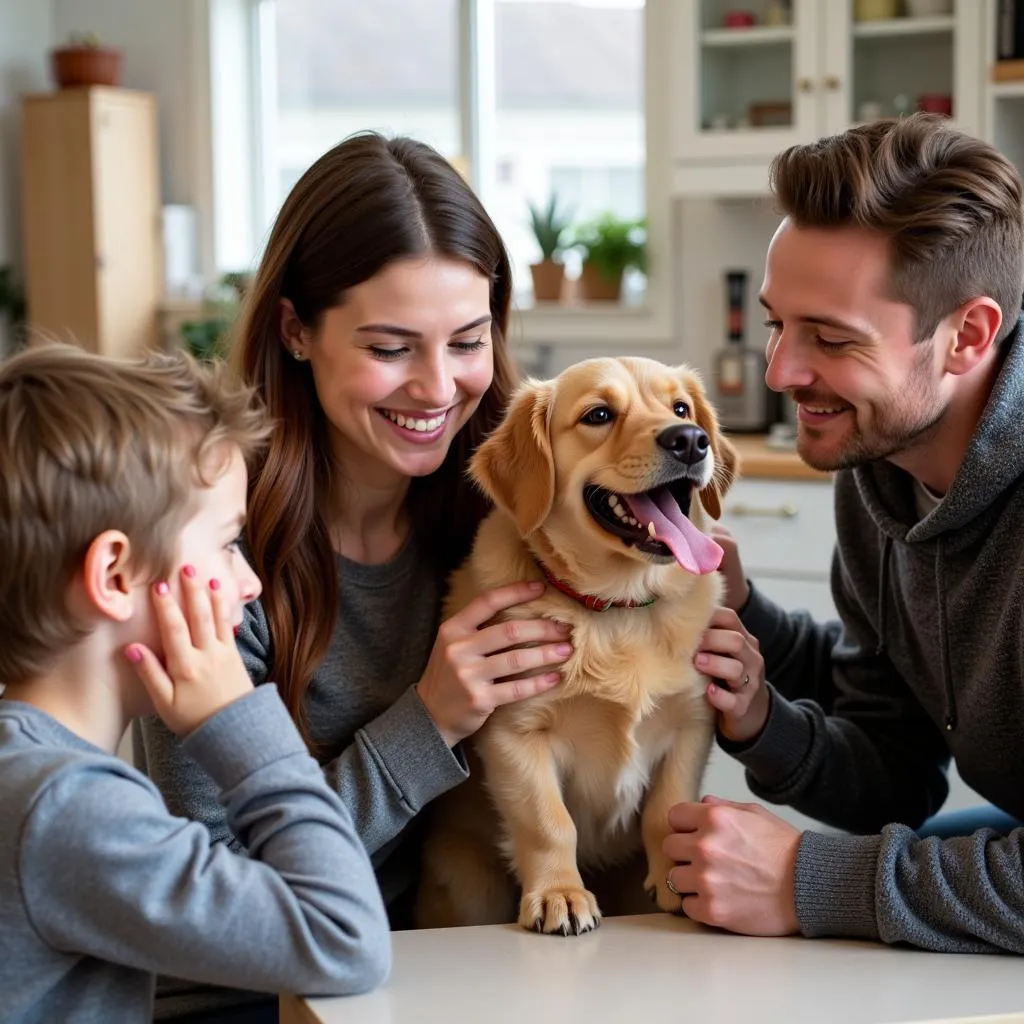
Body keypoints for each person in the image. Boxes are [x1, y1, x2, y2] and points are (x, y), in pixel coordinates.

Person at [134, 132, 573, 1018]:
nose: (438, 387)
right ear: (296, 329)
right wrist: (431, 719)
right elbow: (219, 898)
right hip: (245, 1001)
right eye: (390, 347)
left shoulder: (501, 521)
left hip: (440, 972)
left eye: (468, 341)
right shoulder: (217, 553)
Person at [663, 112, 1024, 954]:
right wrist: (752, 677)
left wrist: (806, 881)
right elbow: (895, 770)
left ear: (967, 336)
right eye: (777, 323)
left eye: (829, 338)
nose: (780, 371)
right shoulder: (883, 464)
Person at [0, 344, 392, 1024]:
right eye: (226, 544)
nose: (250, 582)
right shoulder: (66, 808)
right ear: (116, 576)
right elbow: (344, 938)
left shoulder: (30, 771)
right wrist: (239, 719)